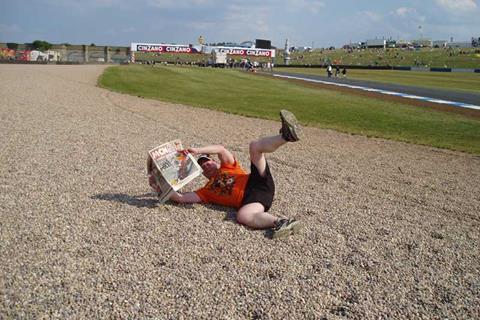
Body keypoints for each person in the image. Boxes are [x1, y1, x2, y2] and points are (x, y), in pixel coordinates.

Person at [152, 110, 303, 239]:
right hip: (252, 200)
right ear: (201, 173)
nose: (207, 166)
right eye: (203, 167)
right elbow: (181, 198)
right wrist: (159, 183)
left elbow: (221, 149)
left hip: (257, 181)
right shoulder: (206, 191)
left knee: (254, 147)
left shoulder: (228, 166)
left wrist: (197, 151)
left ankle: (286, 136)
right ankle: (282, 222)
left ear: (215, 162)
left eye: (208, 162)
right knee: (242, 216)